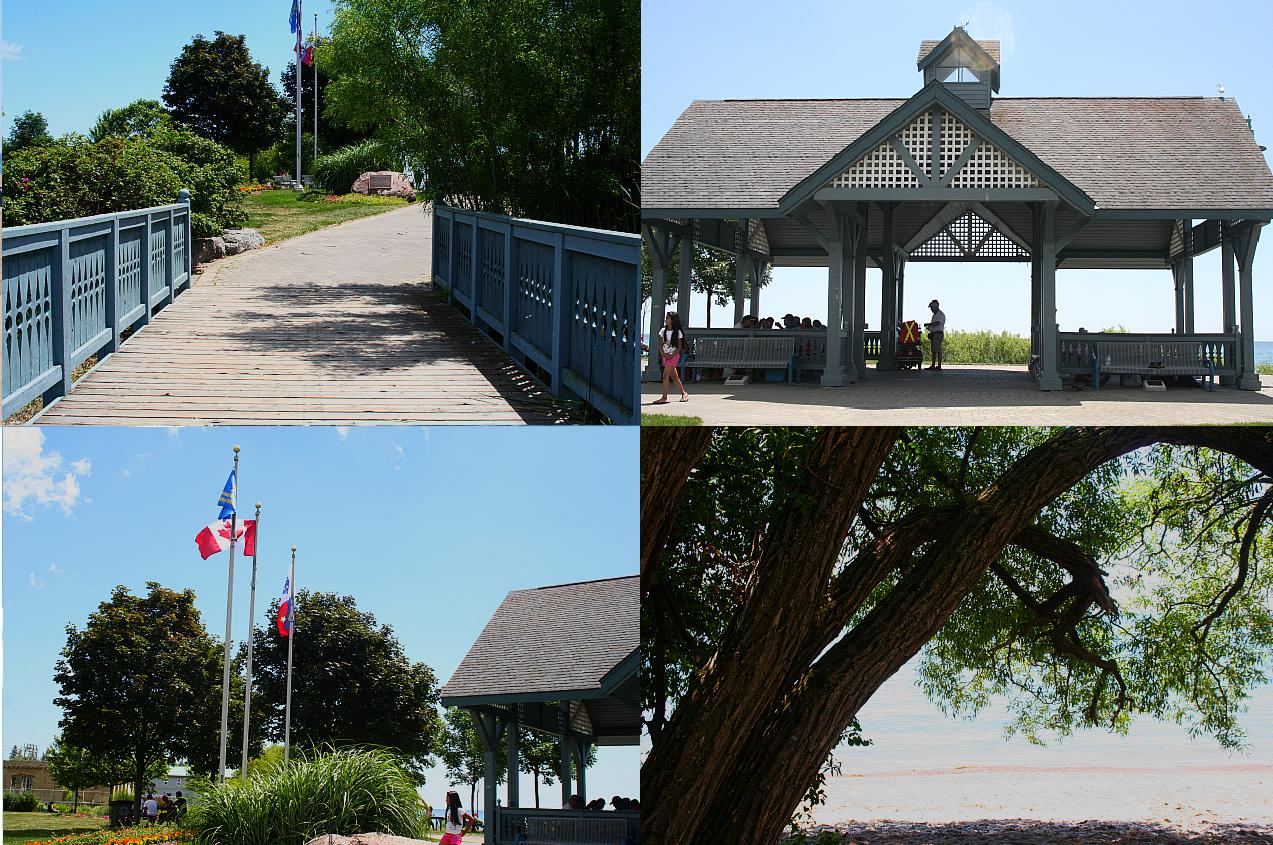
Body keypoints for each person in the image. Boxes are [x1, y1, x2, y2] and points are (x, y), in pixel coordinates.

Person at [653, 313, 689, 405]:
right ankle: (684, 393)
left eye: (667, 318)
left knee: (665, 375)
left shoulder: (678, 332)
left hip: (674, 356)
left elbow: (679, 348)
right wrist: (662, 354)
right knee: (675, 377)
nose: (666, 320)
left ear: (672, 320)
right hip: (665, 356)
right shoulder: (663, 331)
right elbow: (660, 344)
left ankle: (664, 398)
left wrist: (671, 355)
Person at [924, 299, 946, 370]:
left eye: (932, 308)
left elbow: (937, 323)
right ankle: (933, 365)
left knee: (938, 350)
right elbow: (934, 325)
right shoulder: (935, 315)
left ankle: (939, 366)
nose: (931, 310)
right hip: (934, 334)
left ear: (935, 307)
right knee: (933, 351)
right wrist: (929, 328)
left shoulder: (940, 314)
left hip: (938, 334)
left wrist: (929, 324)